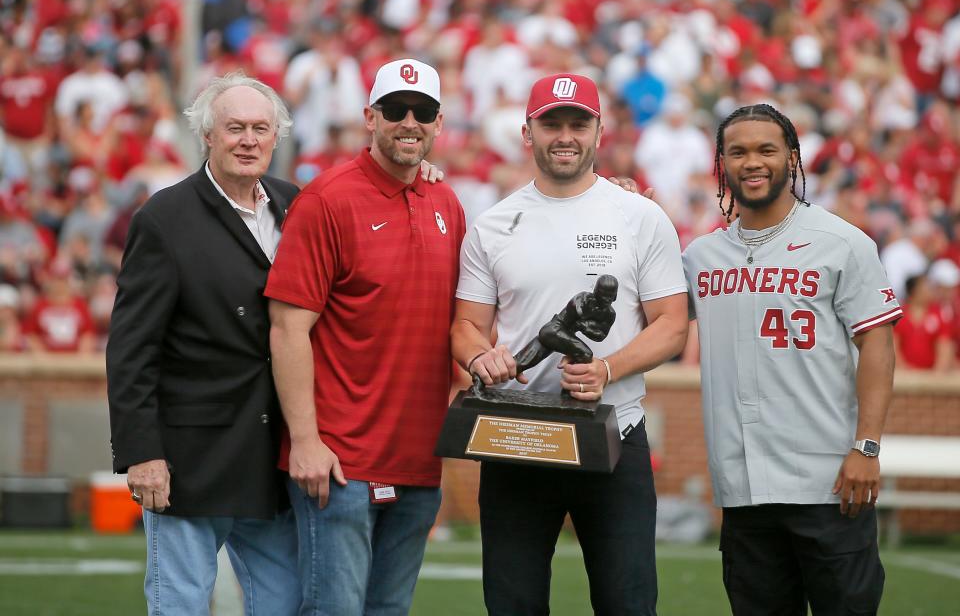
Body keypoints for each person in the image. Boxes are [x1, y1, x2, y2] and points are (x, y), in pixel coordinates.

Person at [451, 73, 689, 616]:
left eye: (578, 123)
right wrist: (479, 355)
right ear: (526, 132)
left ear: (599, 132)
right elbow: (465, 325)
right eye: (551, 123)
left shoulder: (640, 216)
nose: (565, 135)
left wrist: (606, 368)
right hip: (518, 437)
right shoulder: (493, 223)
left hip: (612, 433)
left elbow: (672, 324)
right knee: (512, 605)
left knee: (628, 603)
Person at [682, 104, 902, 616]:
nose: (752, 162)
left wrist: (866, 447)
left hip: (830, 483)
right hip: (744, 489)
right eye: (737, 152)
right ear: (721, 164)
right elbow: (657, 320)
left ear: (793, 158)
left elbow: (877, 345)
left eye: (766, 149)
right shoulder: (700, 256)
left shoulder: (842, 242)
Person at [265, 59, 466, 615]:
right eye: (395, 110)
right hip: (339, 464)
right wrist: (305, 440)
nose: (409, 122)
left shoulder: (446, 202)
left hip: (419, 462)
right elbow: (287, 329)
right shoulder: (327, 200)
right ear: (368, 118)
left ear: (438, 123)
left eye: (422, 112)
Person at [105, 72, 302, 615]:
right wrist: (142, 453)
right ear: (207, 136)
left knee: (285, 604)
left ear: (276, 136)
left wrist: (418, 172)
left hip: (273, 456)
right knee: (180, 605)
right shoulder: (164, 218)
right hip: (190, 458)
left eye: (261, 128)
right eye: (234, 127)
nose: (249, 139)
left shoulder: (297, 204)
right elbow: (131, 348)